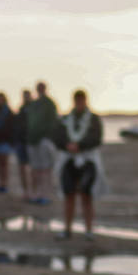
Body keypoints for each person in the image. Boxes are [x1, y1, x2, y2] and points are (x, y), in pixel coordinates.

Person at [52, 89, 107, 240]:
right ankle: (67, 229)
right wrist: (67, 145)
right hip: (68, 160)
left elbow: (97, 138)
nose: (79, 103)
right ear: (74, 101)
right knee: (68, 194)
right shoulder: (65, 119)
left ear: (85, 101)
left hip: (87, 161)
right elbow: (57, 137)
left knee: (86, 194)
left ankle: (89, 230)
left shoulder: (93, 119)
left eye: (81, 100)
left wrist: (80, 145)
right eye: (77, 101)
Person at [26, 82, 60, 204]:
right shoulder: (34, 104)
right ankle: (36, 194)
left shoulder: (49, 104)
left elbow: (53, 122)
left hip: (44, 140)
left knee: (46, 169)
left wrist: (49, 136)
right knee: (36, 169)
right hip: (33, 140)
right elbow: (30, 122)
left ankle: (45, 194)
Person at [14, 89, 34, 199]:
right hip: (21, 142)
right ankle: (25, 190)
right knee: (22, 167)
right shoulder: (21, 109)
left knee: (33, 168)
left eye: (27, 96)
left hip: (31, 142)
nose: (26, 98)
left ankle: (33, 190)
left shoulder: (35, 109)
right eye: (24, 96)